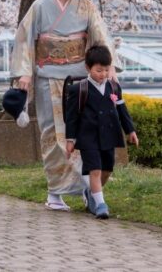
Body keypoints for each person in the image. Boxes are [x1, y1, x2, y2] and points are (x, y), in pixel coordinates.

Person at [10, 0, 118, 212]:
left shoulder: (86, 7)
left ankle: (88, 189)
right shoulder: (40, 6)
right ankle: (55, 192)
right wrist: (24, 72)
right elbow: (25, 40)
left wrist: (109, 65)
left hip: (79, 80)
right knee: (52, 134)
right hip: (49, 77)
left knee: (81, 133)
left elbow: (100, 36)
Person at [64, 45, 138, 219]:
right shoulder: (79, 89)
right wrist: (70, 140)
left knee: (107, 170)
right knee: (95, 170)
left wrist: (131, 131)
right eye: (99, 70)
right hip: (88, 136)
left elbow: (122, 110)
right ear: (88, 68)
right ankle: (101, 205)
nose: (103, 74)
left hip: (109, 135)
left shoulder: (114, 87)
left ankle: (92, 193)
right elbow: (72, 117)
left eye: (106, 70)